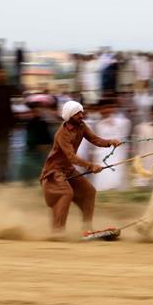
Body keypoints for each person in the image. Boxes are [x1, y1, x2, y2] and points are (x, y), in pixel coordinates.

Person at [39, 100, 121, 234]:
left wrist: (110, 142)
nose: (82, 115)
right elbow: (71, 156)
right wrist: (90, 166)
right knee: (66, 193)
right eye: (78, 113)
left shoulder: (81, 126)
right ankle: (58, 232)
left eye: (82, 112)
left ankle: (87, 228)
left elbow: (95, 139)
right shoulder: (62, 133)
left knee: (89, 192)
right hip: (54, 172)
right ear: (69, 116)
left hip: (68, 170)